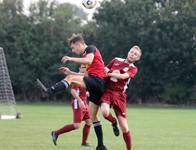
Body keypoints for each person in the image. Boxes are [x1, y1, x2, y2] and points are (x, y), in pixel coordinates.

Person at [37, 33, 107, 150]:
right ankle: (100, 145)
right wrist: (71, 72)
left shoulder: (90, 49)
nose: (73, 51)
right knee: (94, 118)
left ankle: (49, 91)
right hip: (95, 84)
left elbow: (89, 61)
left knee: (71, 80)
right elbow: (84, 75)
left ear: (78, 44)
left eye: (73, 48)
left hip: (98, 81)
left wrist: (70, 58)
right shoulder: (87, 55)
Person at [100, 46, 142, 150]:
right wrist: (105, 69)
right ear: (128, 52)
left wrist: (109, 73)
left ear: (137, 58)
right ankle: (113, 122)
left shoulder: (133, 68)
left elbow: (123, 77)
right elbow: (105, 69)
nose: (132, 54)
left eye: (135, 54)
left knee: (124, 128)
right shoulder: (116, 60)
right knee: (105, 112)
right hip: (108, 92)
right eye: (131, 52)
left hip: (120, 96)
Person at [50, 65, 91, 147]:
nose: (84, 68)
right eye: (83, 67)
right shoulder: (77, 78)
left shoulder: (85, 77)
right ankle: (56, 133)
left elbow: (85, 90)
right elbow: (73, 91)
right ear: (79, 69)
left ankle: (84, 143)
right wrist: (80, 101)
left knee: (89, 122)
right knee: (76, 125)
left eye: (85, 67)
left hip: (84, 102)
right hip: (78, 102)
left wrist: (87, 93)